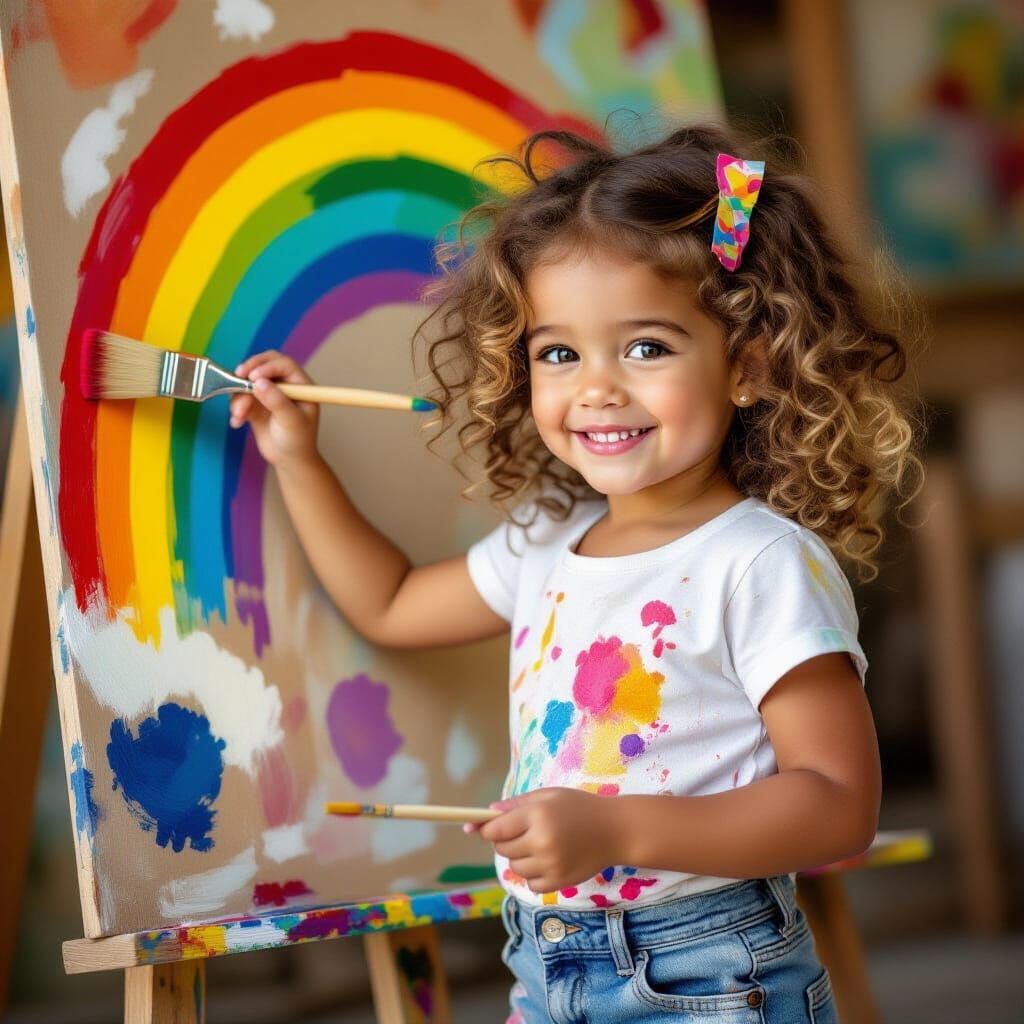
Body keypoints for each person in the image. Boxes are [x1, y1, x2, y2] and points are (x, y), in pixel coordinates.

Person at [228, 119, 924, 1023]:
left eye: (645, 348)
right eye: (559, 352)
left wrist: (613, 830)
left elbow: (836, 805)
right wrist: (300, 463)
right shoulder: (549, 538)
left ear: (746, 366)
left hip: (707, 969)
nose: (595, 387)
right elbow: (393, 604)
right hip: (546, 967)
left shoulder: (760, 562)